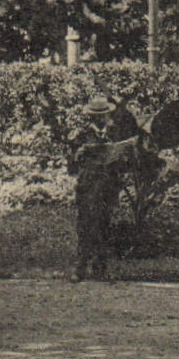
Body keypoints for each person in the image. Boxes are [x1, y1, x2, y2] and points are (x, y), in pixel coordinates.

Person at [69, 95, 123, 282]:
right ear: (91, 117)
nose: (100, 119)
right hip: (88, 184)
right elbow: (72, 164)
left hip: (108, 184)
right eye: (96, 115)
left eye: (103, 115)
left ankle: (100, 268)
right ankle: (80, 267)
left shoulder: (114, 133)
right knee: (85, 224)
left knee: (104, 224)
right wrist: (80, 153)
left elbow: (121, 159)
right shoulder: (82, 135)